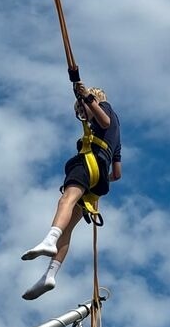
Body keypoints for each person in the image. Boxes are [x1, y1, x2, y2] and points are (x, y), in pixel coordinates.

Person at [21, 83, 121, 300]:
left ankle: (49, 238)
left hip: (89, 164)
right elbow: (117, 174)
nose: (81, 115)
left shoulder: (103, 107)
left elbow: (104, 119)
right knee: (69, 228)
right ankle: (50, 274)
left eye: (81, 110)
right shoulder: (116, 137)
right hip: (100, 180)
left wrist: (87, 98)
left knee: (66, 199)